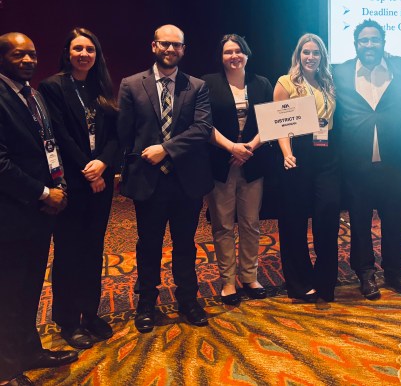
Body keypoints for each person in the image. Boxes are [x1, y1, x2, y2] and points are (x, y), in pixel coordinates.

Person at [118, 24, 214, 332]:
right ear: (154, 46)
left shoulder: (197, 86)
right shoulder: (131, 84)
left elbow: (202, 129)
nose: (170, 49)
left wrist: (166, 149)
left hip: (187, 181)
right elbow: (125, 133)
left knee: (185, 244)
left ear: (183, 49)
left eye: (176, 45)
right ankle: (146, 302)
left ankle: (188, 300)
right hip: (148, 181)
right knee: (148, 245)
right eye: (165, 43)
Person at [0, 33, 77, 386]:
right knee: (8, 292)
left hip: (38, 212)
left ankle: (30, 350)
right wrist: (44, 193)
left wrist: (58, 185)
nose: (29, 60)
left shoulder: (33, 94)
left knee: (30, 287)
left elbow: (47, 144)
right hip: (12, 213)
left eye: (32, 54)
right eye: (19, 55)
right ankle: (7, 369)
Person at [39, 28, 118, 349]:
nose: (84, 54)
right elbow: (59, 134)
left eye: (90, 49)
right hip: (72, 182)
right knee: (69, 251)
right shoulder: (52, 86)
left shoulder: (102, 86)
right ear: (67, 53)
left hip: (101, 181)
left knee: (93, 249)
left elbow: (116, 134)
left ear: (97, 55)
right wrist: (89, 169)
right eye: (78, 49)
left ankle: (90, 313)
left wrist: (104, 163)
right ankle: (68, 320)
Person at [333, 19, 401, 300]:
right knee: (359, 224)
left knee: (396, 221)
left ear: (383, 42)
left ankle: (395, 272)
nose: (369, 45)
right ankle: (365, 273)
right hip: (356, 165)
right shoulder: (340, 72)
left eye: (374, 40)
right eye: (364, 40)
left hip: (396, 162)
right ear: (356, 44)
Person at [202, 34, 273, 306]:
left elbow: (272, 121)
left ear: (247, 54)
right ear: (221, 57)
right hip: (221, 163)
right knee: (222, 225)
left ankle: (249, 277)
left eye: (238, 51)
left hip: (253, 162)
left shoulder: (261, 83)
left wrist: (249, 148)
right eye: (228, 52)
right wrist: (232, 148)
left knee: (250, 223)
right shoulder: (208, 83)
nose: (234, 56)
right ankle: (228, 281)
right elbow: (204, 124)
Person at [273, 33, 340, 303]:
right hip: (297, 154)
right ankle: (299, 283)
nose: (311, 57)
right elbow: (279, 124)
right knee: (294, 221)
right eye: (306, 52)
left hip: (326, 155)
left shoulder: (328, 82)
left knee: (328, 216)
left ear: (322, 56)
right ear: (298, 55)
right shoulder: (286, 82)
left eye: (316, 53)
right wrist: (287, 153)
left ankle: (325, 281)